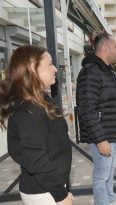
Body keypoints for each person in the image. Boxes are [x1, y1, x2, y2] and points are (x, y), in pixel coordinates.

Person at [0, 45, 73, 205]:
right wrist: (61, 195)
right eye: (50, 64)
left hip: (50, 188)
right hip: (45, 193)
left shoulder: (40, 100)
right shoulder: (29, 109)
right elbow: (36, 160)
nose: (55, 68)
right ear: (33, 68)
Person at [76, 33, 116, 205]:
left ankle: (110, 200)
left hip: (112, 132)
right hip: (103, 135)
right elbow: (86, 109)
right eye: (115, 47)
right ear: (105, 48)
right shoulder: (90, 72)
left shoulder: (108, 72)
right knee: (101, 176)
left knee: (109, 172)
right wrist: (100, 139)